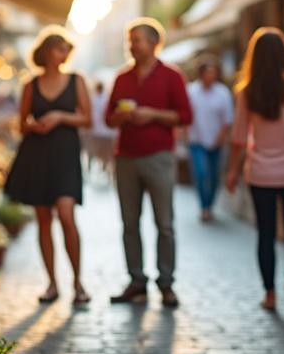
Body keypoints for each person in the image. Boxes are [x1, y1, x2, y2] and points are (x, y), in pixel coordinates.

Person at [106, 18, 193, 307]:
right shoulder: (121, 78)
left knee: (164, 224)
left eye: (137, 40)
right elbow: (108, 118)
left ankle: (166, 283)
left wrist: (152, 115)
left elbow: (185, 116)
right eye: (129, 40)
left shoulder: (171, 75)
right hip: (126, 157)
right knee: (129, 223)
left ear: (155, 43)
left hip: (158, 156)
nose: (132, 45)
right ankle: (137, 281)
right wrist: (122, 116)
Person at [3, 28, 92, 305]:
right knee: (43, 219)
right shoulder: (31, 84)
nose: (63, 52)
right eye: (58, 47)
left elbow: (87, 119)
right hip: (37, 154)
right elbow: (21, 124)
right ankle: (52, 283)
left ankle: (78, 282)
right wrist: (34, 125)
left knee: (67, 215)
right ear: (46, 52)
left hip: (65, 154)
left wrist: (59, 117)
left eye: (66, 47)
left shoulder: (76, 80)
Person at [225, 28, 284, 315]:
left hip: (260, 171)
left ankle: (270, 294)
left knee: (266, 234)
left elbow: (238, 138)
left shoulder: (247, 92)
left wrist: (232, 172)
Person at [186, 58, 233, 222]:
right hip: (197, 141)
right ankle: (204, 206)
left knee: (214, 176)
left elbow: (227, 119)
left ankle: (210, 205)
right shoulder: (191, 91)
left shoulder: (222, 92)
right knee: (201, 173)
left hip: (216, 141)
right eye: (208, 73)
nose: (211, 76)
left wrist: (221, 137)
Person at [87, 80, 116, 177]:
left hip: (105, 132)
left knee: (104, 154)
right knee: (95, 152)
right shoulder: (93, 98)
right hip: (97, 131)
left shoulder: (105, 98)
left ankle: (104, 169)